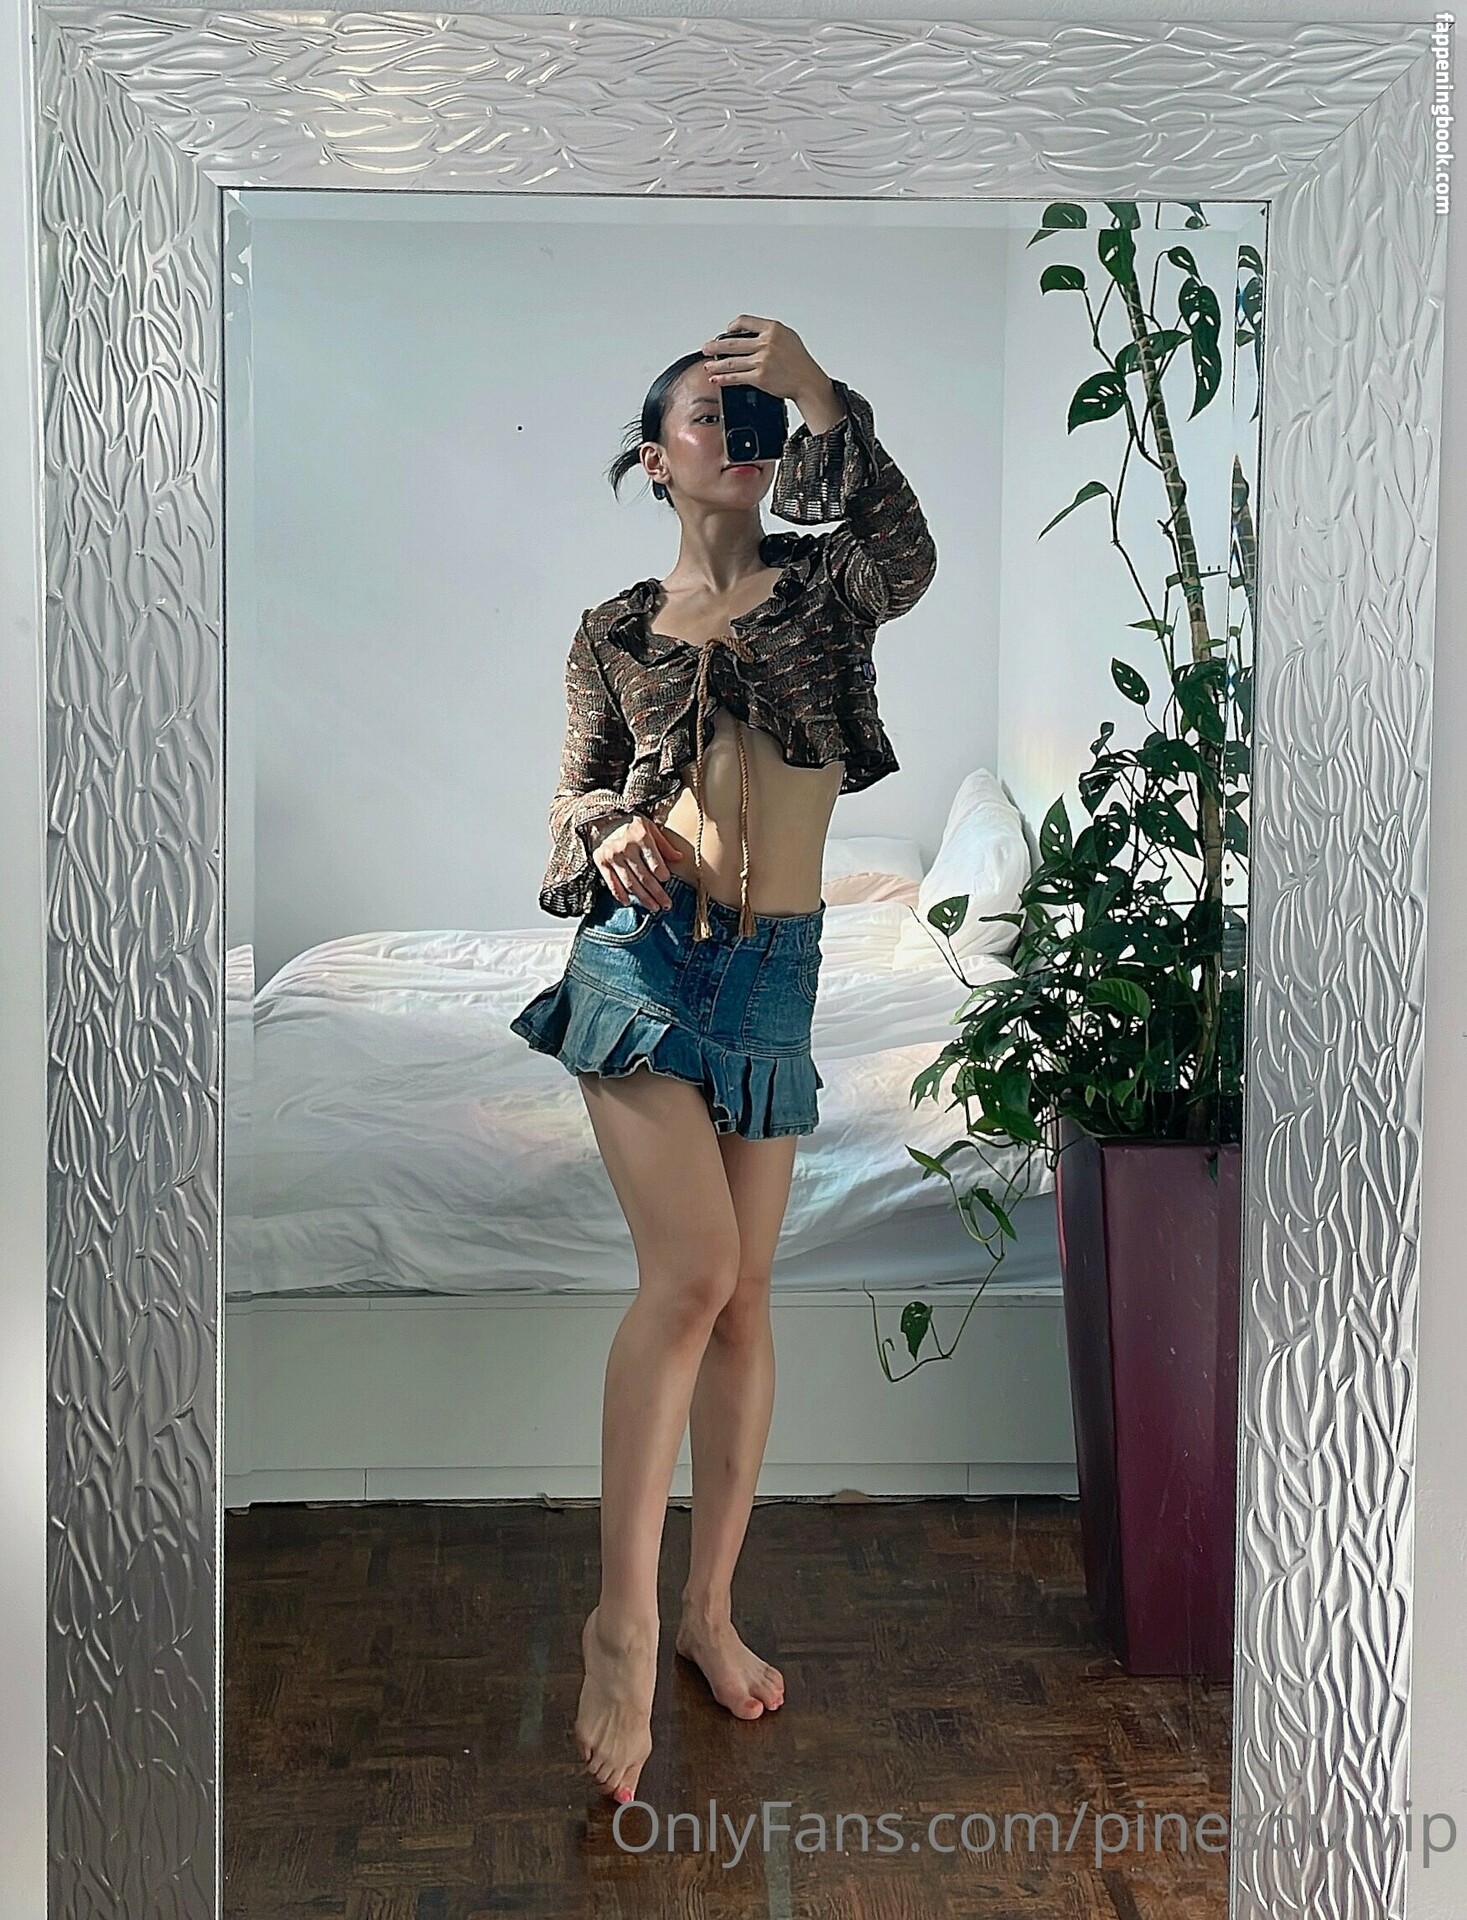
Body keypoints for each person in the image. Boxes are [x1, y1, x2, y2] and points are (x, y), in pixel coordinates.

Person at [510, 315, 936, 1806]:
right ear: (656, 457)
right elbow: (568, 801)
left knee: (747, 1306)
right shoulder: (613, 631)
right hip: (644, 961)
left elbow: (906, 552)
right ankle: (621, 1625)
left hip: (774, 976)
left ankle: (706, 1611)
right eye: (713, 412)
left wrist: (817, 389)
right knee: (693, 1277)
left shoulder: (827, 588)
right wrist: (607, 832)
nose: (740, 433)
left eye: (758, 416)